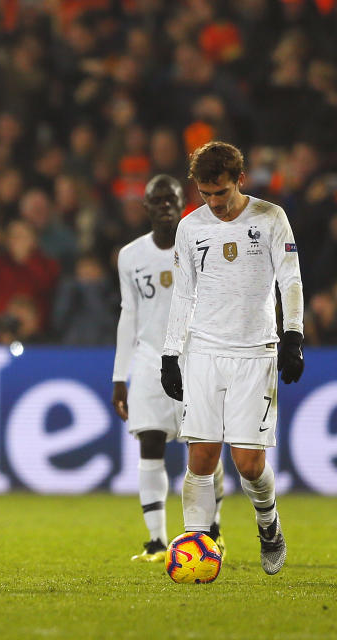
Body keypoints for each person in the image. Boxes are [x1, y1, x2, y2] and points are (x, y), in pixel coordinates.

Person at [161, 141, 304, 575]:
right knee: (201, 458)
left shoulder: (270, 217)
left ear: (239, 180)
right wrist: (171, 353)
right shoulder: (190, 227)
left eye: (220, 193)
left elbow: (290, 279)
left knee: (249, 465)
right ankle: (195, 547)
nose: (213, 203)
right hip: (203, 350)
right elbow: (183, 292)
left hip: (254, 352)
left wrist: (293, 335)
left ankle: (268, 523)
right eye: (205, 194)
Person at [113, 175, 225, 562]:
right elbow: (129, 315)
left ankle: (213, 530)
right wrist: (118, 376)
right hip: (147, 360)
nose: (164, 205)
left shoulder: (201, 243)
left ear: (183, 203)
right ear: (145, 207)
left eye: (171, 199)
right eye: (156, 200)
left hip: (197, 357)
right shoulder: (130, 256)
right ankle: (157, 541)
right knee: (150, 442)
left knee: (205, 449)